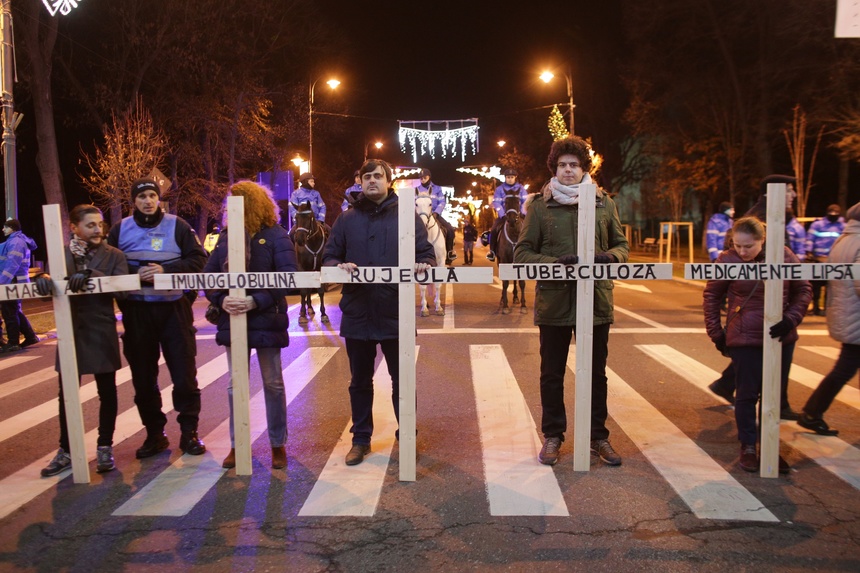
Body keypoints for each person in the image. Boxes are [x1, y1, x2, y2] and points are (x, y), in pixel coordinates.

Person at [513, 136, 629, 467]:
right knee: (551, 373)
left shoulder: (604, 203)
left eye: (573, 165)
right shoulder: (539, 205)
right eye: (562, 165)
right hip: (554, 302)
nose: (567, 170)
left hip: (596, 302)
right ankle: (553, 435)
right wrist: (554, 264)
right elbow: (522, 253)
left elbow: (622, 245)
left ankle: (598, 437)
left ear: (583, 169)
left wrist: (610, 256)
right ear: (554, 168)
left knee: (596, 374)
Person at [322, 159, 436, 466]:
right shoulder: (346, 219)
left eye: (378, 176)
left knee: (402, 380)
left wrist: (425, 265)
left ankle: (407, 434)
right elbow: (329, 257)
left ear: (389, 181)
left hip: (395, 311)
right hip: (357, 312)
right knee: (359, 381)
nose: (373, 180)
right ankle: (360, 439)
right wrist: (338, 267)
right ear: (360, 181)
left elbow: (426, 254)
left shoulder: (406, 216)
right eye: (367, 176)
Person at [107, 177, 208, 458]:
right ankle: (155, 434)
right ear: (134, 202)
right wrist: (132, 272)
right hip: (137, 312)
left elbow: (199, 259)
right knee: (143, 378)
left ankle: (189, 433)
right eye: (142, 197)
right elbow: (107, 264)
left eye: (152, 195)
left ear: (158, 198)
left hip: (173, 309)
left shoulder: (177, 225)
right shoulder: (120, 230)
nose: (148, 201)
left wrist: (167, 271)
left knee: (185, 377)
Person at [703, 217, 811, 474]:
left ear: (762, 240)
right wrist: (716, 333)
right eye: (738, 246)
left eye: (748, 246)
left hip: (780, 337)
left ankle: (770, 447)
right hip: (745, 337)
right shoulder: (727, 259)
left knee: (774, 396)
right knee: (748, 394)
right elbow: (711, 295)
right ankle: (748, 446)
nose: (742, 252)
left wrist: (791, 319)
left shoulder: (784, 255)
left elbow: (803, 289)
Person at [204, 181, 298, 470]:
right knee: (236, 385)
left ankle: (277, 444)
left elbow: (288, 276)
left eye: (239, 201)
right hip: (233, 318)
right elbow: (208, 277)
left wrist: (256, 301)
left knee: (272, 383)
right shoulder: (226, 238)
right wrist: (221, 301)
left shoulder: (276, 236)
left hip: (266, 318)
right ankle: (237, 444)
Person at [35, 205, 129, 476]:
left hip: (101, 331)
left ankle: (104, 446)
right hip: (70, 332)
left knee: (107, 391)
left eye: (100, 224)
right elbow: (51, 289)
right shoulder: (60, 254)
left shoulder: (115, 255)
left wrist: (93, 276)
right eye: (90, 225)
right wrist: (42, 281)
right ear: (74, 228)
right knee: (66, 395)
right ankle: (66, 449)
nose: (98, 230)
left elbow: (124, 292)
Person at [798, 201, 860, 436]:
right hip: (856, 313)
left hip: (846, 311)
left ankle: (812, 413)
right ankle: (812, 413)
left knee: (845, 367)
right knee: (844, 368)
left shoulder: (844, 238)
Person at [0, 219, 39, 353]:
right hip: (15, 280)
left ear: (11, 228)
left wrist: (1, 282)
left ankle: (13, 343)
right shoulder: (15, 241)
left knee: (9, 311)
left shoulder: (16, 242)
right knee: (14, 310)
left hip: (12, 281)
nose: (3, 230)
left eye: (5, 227)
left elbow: (12, 264)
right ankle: (30, 336)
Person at [805, 204, 846, 316]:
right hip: (819, 259)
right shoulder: (818, 225)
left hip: (835, 261)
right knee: (816, 286)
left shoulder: (843, 226)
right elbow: (810, 239)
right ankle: (816, 307)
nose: (833, 216)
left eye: (835, 215)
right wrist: (808, 252)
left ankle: (828, 309)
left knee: (831, 287)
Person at [416, 168, 457, 264]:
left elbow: (442, 202)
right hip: (419, 217)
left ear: (429, 177)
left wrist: (436, 212)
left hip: (434, 214)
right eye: (420, 178)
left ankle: (450, 252)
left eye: (424, 177)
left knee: (450, 230)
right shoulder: (416, 190)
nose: (422, 179)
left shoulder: (437, 189)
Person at [486, 168, 528, 262]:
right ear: (505, 178)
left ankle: (533, 252)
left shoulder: (521, 189)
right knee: (493, 230)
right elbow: (496, 203)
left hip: (519, 215)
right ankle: (492, 252)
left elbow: (526, 202)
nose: (510, 179)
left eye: (511, 177)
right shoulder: (499, 189)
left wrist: (522, 213)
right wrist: (502, 214)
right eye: (508, 177)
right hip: (505, 216)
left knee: (532, 229)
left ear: (515, 177)